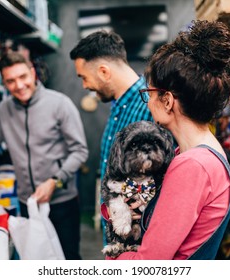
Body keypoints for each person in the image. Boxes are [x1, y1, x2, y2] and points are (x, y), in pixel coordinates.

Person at [110, 20, 230, 260]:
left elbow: (148, 265)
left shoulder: (193, 166)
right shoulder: (197, 152)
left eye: (149, 93)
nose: (147, 103)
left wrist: (115, 252)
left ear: (167, 100)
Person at [0, 51, 89, 260]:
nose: (18, 86)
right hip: (28, 203)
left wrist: (55, 180)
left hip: (62, 201)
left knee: (68, 259)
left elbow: (80, 150)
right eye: (10, 81)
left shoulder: (59, 104)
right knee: (36, 258)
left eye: (23, 77)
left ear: (33, 73)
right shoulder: (4, 110)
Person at [69, 30, 153, 241]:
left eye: (84, 77)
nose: (85, 85)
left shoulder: (151, 107)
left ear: (104, 72)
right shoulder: (117, 105)